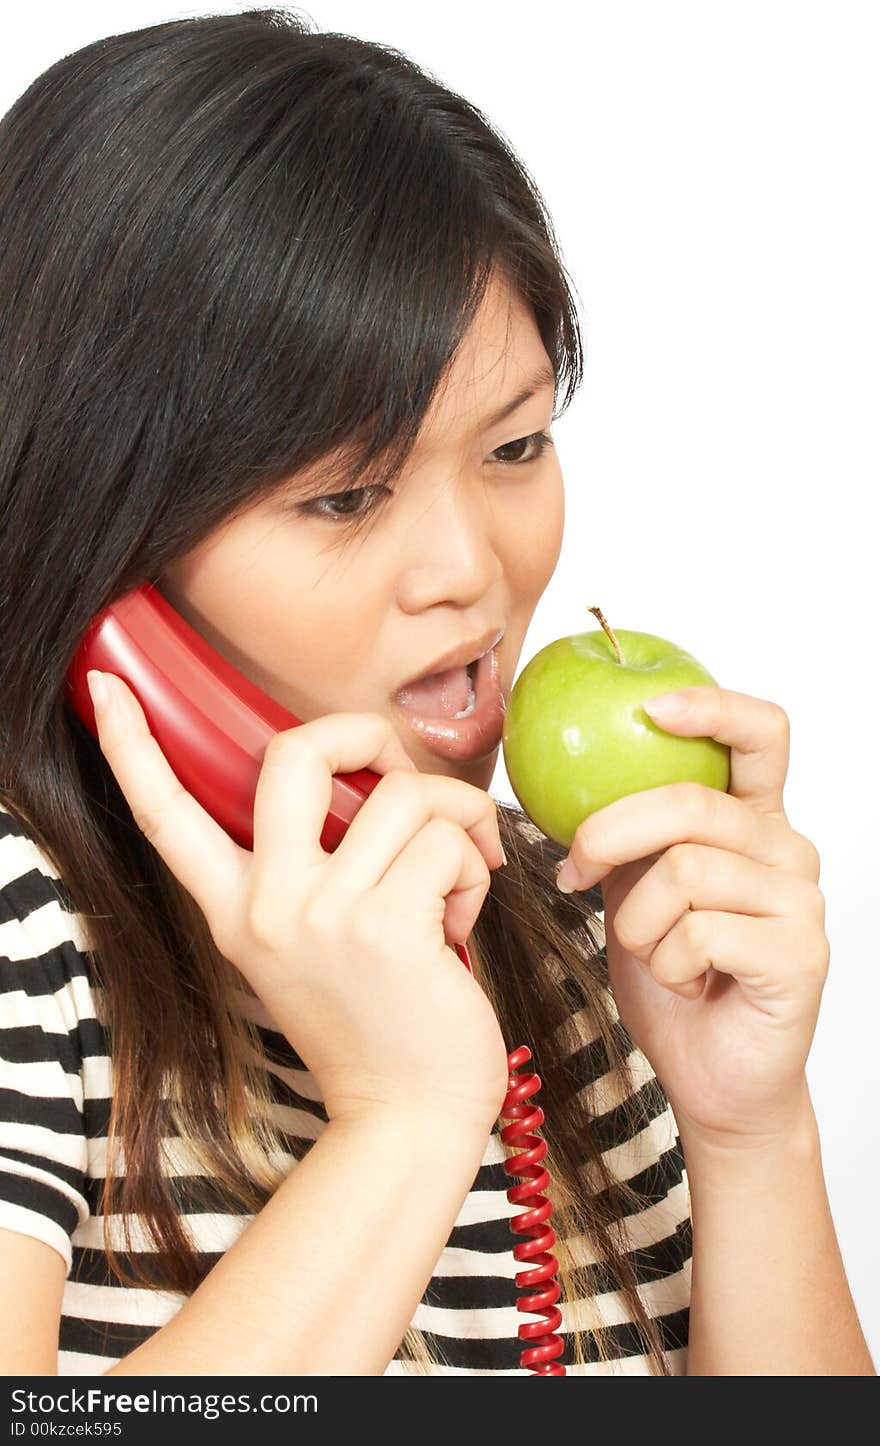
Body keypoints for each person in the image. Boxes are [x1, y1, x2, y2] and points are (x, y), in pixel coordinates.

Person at [0, 9, 872, 1379]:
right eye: (347, 493)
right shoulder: (28, 934)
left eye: (517, 443)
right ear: (110, 544)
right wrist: (406, 1116)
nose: (473, 570)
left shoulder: (594, 925)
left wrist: (749, 1131)